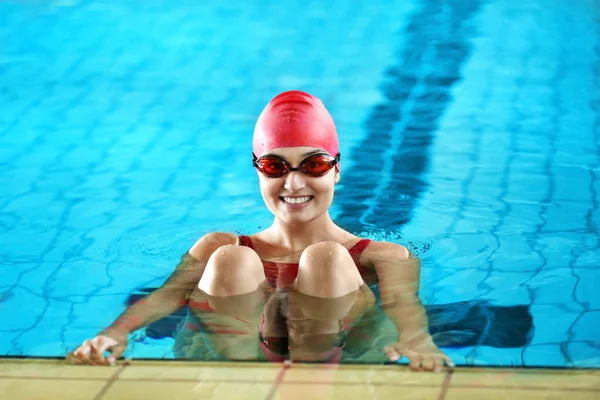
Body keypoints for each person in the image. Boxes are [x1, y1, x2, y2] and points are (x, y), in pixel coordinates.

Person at [67, 90, 454, 372]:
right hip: (231, 363)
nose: (294, 183)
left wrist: (418, 342)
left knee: (326, 259)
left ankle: (311, 382)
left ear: (337, 168)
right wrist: (114, 334)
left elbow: (405, 307)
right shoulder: (218, 246)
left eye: (314, 165)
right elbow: (166, 297)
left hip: (339, 360)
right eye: (275, 167)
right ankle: (239, 381)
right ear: (258, 171)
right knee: (230, 259)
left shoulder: (383, 256)